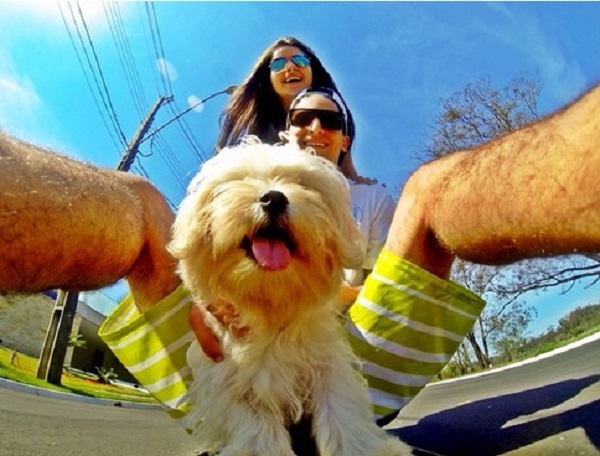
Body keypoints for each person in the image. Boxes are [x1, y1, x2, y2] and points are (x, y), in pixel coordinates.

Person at [1, 81, 599, 424]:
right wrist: (210, 299)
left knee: (432, 187)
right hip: (220, 365)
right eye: (299, 117)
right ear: (284, 131)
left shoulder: (376, 197)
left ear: (345, 135)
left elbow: (381, 283)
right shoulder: (251, 182)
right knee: (133, 196)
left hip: (355, 371)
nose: (313, 125)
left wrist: (319, 293)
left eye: (328, 117)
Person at [216, 36, 369, 183]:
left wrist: (359, 183)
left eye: (300, 60)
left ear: (312, 70)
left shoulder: (334, 108)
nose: (290, 66)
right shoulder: (260, 132)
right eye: (278, 64)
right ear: (269, 80)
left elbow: (345, 166)